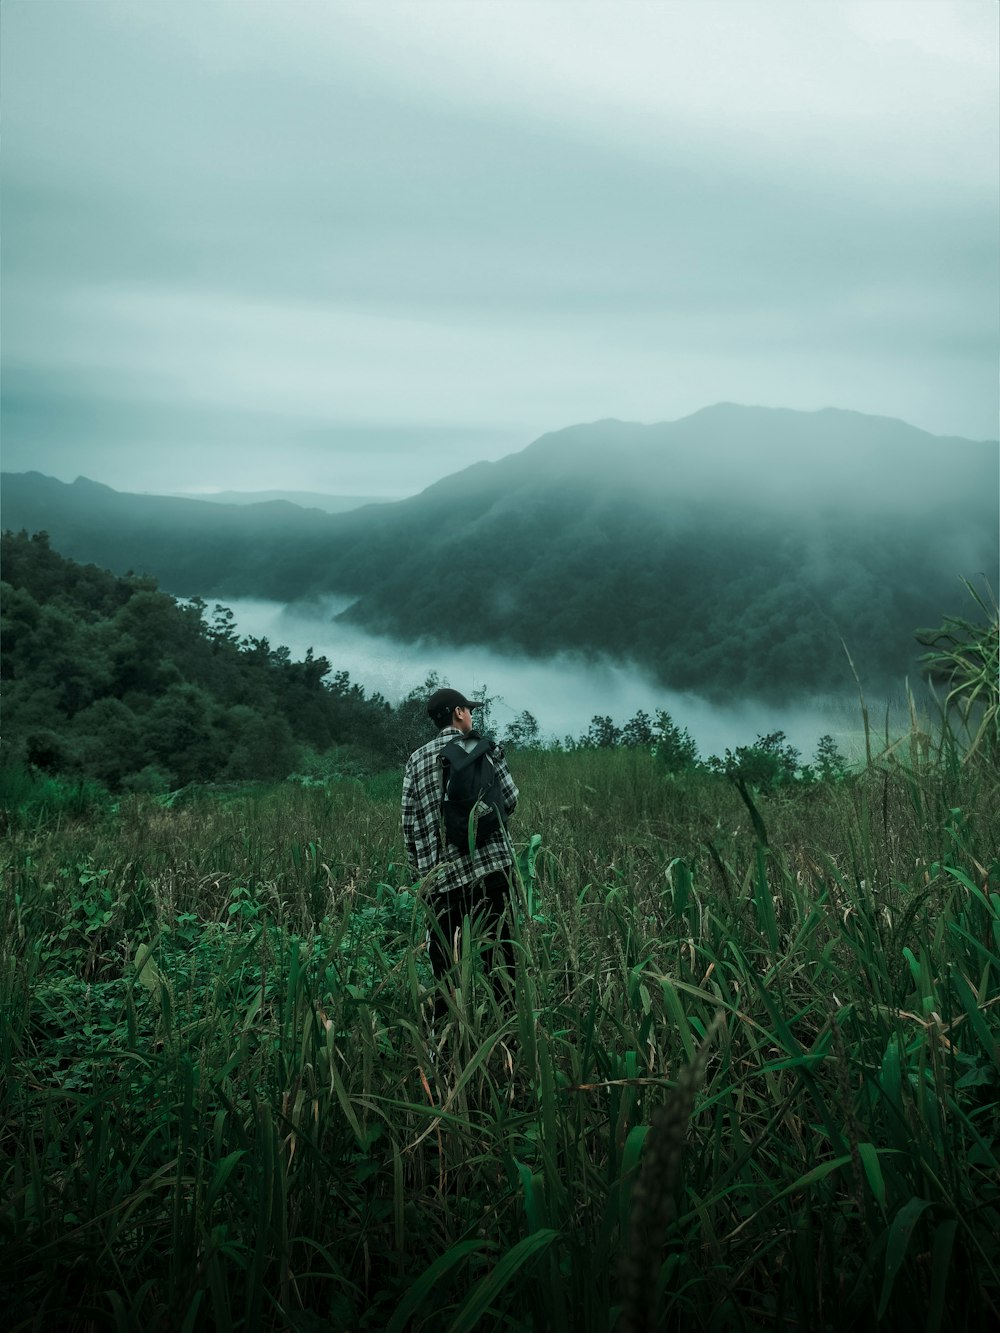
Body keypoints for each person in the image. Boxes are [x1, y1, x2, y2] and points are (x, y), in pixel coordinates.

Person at [402, 686, 518, 1000]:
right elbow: (509, 800)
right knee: (501, 958)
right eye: (469, 710)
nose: (470, 715)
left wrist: (421, 877)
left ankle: (451, 1037)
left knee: (447, 971)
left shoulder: (415, 761)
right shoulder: (480, 746)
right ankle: (508, 1033)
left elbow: (409, 826)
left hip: (441, 884)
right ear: (458, 713)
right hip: (490, 871)